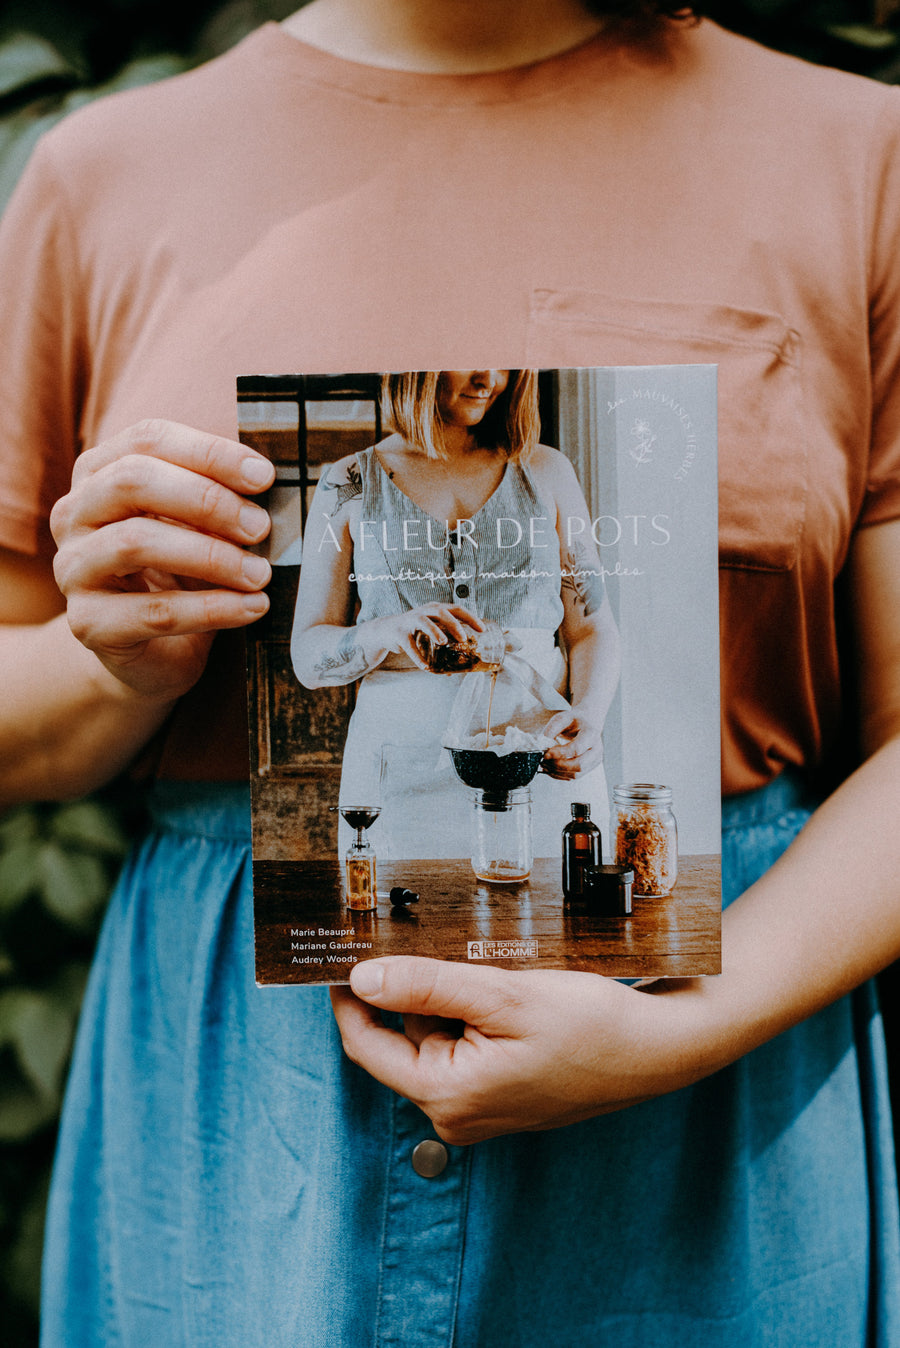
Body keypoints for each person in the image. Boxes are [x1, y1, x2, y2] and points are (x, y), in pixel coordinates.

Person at [0, 0, 898, 1342]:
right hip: (258, 1133)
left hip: (708, 1107)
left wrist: (685, 1022)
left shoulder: (859, 157)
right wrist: (112, 656)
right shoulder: (100, 177)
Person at [290, 368, 620, 859]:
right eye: (469, 357)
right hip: (400, 771)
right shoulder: (349, 482)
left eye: (505, 362)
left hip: (538, 762)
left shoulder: (547, 470)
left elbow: (592, 625)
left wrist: (589, 718)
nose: (490, 377)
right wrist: (388, 630)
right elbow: (307, 654)